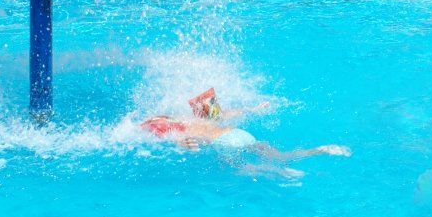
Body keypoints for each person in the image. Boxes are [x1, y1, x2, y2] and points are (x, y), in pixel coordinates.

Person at [138, 90, 349, 173]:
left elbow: (182, 140)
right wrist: (253, 109)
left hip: (225, 143)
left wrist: (183, 144)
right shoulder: (199, 118)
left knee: (244, 168)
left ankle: (278, 173)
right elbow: (229, 113)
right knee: (281, 155)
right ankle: (321, 150)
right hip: (239, 134)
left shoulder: (181, 128)